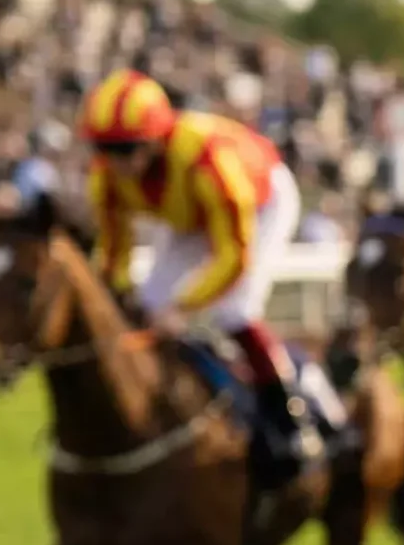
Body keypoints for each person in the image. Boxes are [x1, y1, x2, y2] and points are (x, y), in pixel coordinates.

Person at [79, 67, 314, 484]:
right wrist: (122, 298)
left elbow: (234, 257)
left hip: (260, 203)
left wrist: (183, 306)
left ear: (154, 140)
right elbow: (115, 252)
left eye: (127, 149)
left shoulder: (206, 159)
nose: (117, 162)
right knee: (148, 306)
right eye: (105, 149)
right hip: (190, 214)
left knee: (233, 310)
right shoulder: (106, 178)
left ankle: (291, 418)